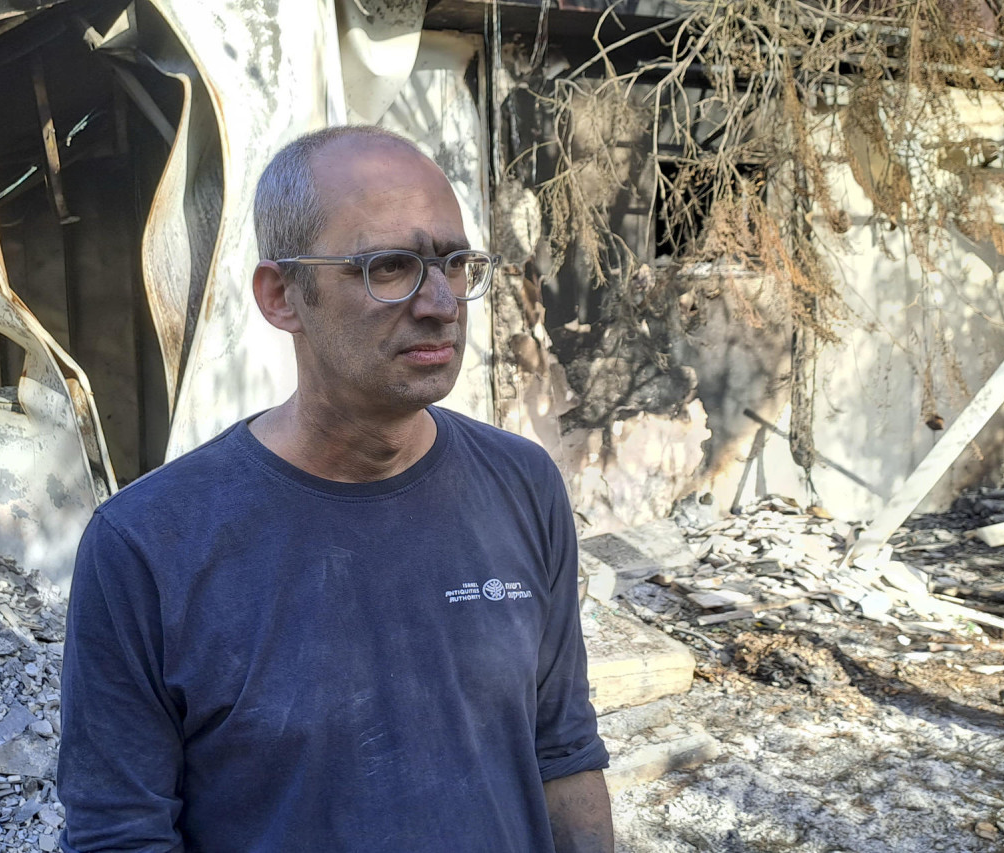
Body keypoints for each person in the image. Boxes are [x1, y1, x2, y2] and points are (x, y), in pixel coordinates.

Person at [57, 125, 613, 852]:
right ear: (282, 295)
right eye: (389, 266)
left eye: (454, 261)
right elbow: (119, 835)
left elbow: (563, 751)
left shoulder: (522, 484)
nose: (442, 301)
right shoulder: (147, 546)